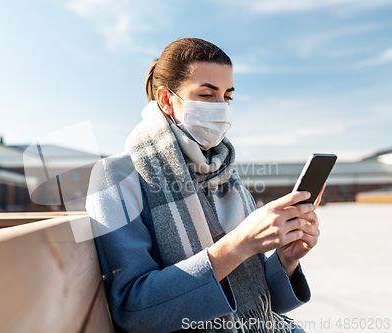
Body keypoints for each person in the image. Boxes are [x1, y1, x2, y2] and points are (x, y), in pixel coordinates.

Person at [86, 38, 321, 333]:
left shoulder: (225, 175)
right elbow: (133, 308)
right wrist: (240, 244)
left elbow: (258, 298)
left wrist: (286, 259)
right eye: (207, 94)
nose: (221, 107)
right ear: (166, 99)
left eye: (228, 96)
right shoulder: (115, 176)